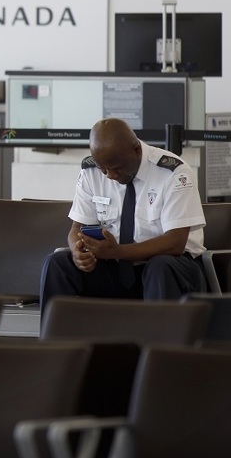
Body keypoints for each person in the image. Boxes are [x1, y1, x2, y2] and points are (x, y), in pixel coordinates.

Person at [39, 117, 207, 312]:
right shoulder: (91, 172)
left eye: (116, 168)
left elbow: (175, 243)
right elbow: (77, 228)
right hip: (114, 267)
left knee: (160, 266)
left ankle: (161, 343)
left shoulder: (173, 172)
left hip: (170, 270)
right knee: (57, 263)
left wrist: (116, 251)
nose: (110, 175)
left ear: (136, 150)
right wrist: (79, 253)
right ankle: (56, 342)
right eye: (104, 170)